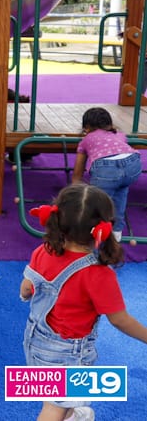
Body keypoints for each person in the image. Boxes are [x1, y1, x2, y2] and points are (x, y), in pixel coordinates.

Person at [21, 184, 147, 421]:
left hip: (35, 340)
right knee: (54, 407)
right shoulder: (98, 274)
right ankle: (65, 414)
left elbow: (26, 288)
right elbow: (119, 320)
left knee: (57, 397)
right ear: (102, 229)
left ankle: (71, 415)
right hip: (68, 351)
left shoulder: (43, 250)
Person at [71, 107, 141, 241]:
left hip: (106, 168)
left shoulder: (86, 140)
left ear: (86, 128)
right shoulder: (119, 134)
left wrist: (75, 191)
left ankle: (92, 238)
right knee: (121, 192)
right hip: (133, 164)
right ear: (110, 124)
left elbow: (78, 172)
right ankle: (116, 232)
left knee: (97, 203)